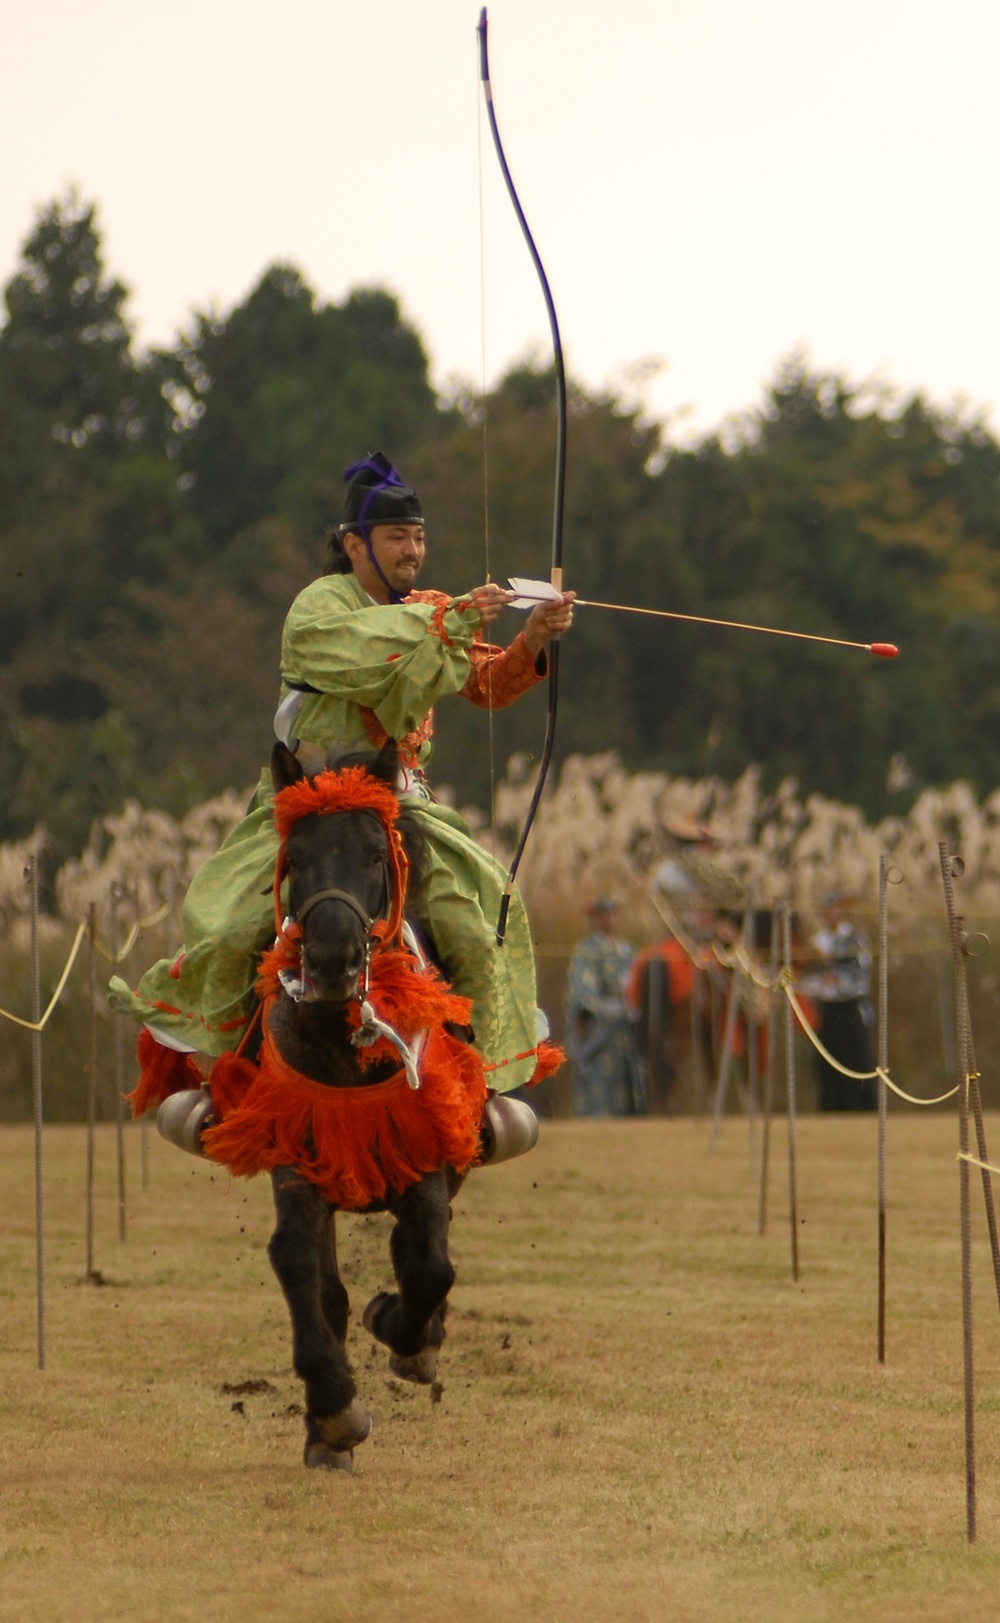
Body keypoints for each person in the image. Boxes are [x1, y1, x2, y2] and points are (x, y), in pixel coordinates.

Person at [110, 453, 575, 1092]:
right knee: (226, 925)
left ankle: (477, 1086)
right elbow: (370, 654)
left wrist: (533, 640)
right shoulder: (319, 610)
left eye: (418, 536)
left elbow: (486, 683)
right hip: (312, 797)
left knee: (480, 924)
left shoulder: (438, 609)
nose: (413, 550)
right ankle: (228, 1080)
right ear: (355, 544)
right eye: (396, 537)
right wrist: (449, 620)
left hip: (401, 802)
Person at [797, 892, 877, 1111]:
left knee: (857, 1060)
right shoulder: (817, 942)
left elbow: (860, 976)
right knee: (827, 1065)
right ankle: (832, 1110)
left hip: (851, 1009)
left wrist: (835, 978)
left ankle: (862, 1110)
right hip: (827, 1010)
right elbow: (805, 978)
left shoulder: (856, 940)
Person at [565, 897, 644, 1116]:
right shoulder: (587, 949)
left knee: (629, 1077)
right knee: (601, 1078)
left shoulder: (628, 950)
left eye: (612, 915)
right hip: (601, 1025)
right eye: (602, 916)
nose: (608, 920)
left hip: (627, 1023)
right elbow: (582, 988)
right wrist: (594, 1011)